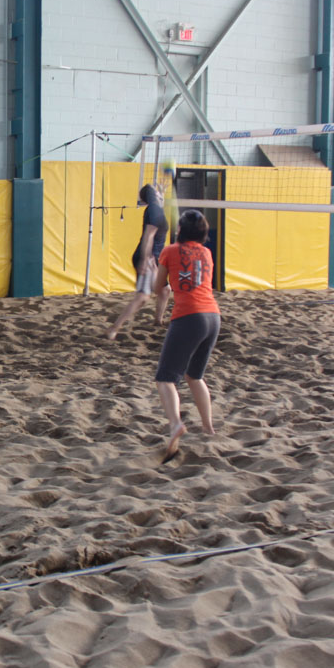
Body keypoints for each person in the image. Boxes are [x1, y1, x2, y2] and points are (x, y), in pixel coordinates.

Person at [154, 210, 221, 463]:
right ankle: (209, 428)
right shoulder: (207, 253)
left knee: (165, 378)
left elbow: (158, 287)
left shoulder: (170, 251)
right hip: (213, 316)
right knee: (195, 376)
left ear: (180, 230)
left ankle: (175, 424)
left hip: (189, 316)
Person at [105, 184, 171, 340]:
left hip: (154, 258)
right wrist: (144, 259)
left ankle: (158, 321)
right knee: (143, 297)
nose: (158, 193)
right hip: (148, 257)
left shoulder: (156, 207)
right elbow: (148, 236)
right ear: (152, 195)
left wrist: (161, 191)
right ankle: (114, 328)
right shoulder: (154, 210)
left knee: (165, 290)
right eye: (155, 191)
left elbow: (160, 201)